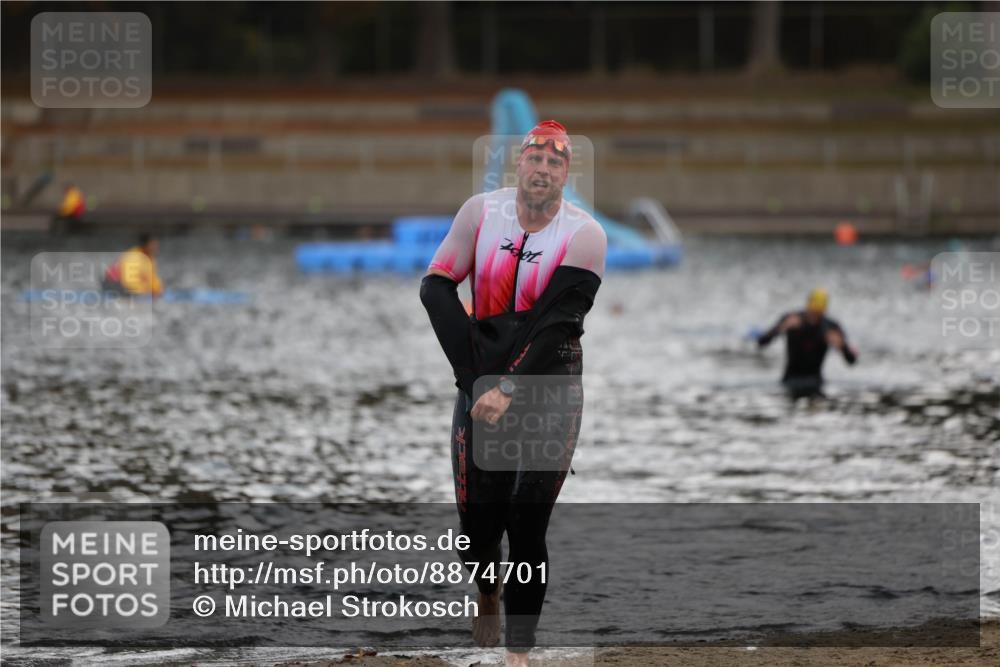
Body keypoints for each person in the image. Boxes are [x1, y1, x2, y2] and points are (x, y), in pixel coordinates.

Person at [420, 120, 606, 666]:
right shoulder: (480, 213)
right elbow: (435, 288)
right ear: (519, 163)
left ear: (566, 174)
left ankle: (518, 654)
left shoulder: (585, 235)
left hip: (551, 386)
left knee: (527, 523)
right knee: (478, 532)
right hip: (481, 378)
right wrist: (472, 379)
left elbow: (554, 325)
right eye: (535, 159)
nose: (543, 169)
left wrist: (507, 386)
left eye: (556, 162)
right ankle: (487, 590)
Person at [756, 288, 858, 397]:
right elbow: (761, 342)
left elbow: (851, 361)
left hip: (816, 382)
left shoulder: (830, 327)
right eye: (813, 311)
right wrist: (782, 327)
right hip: (790, 380)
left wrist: (842, 346)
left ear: (824, 311)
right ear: (808, 305)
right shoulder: (792, 319)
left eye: (818, 313)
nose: (814, 316)